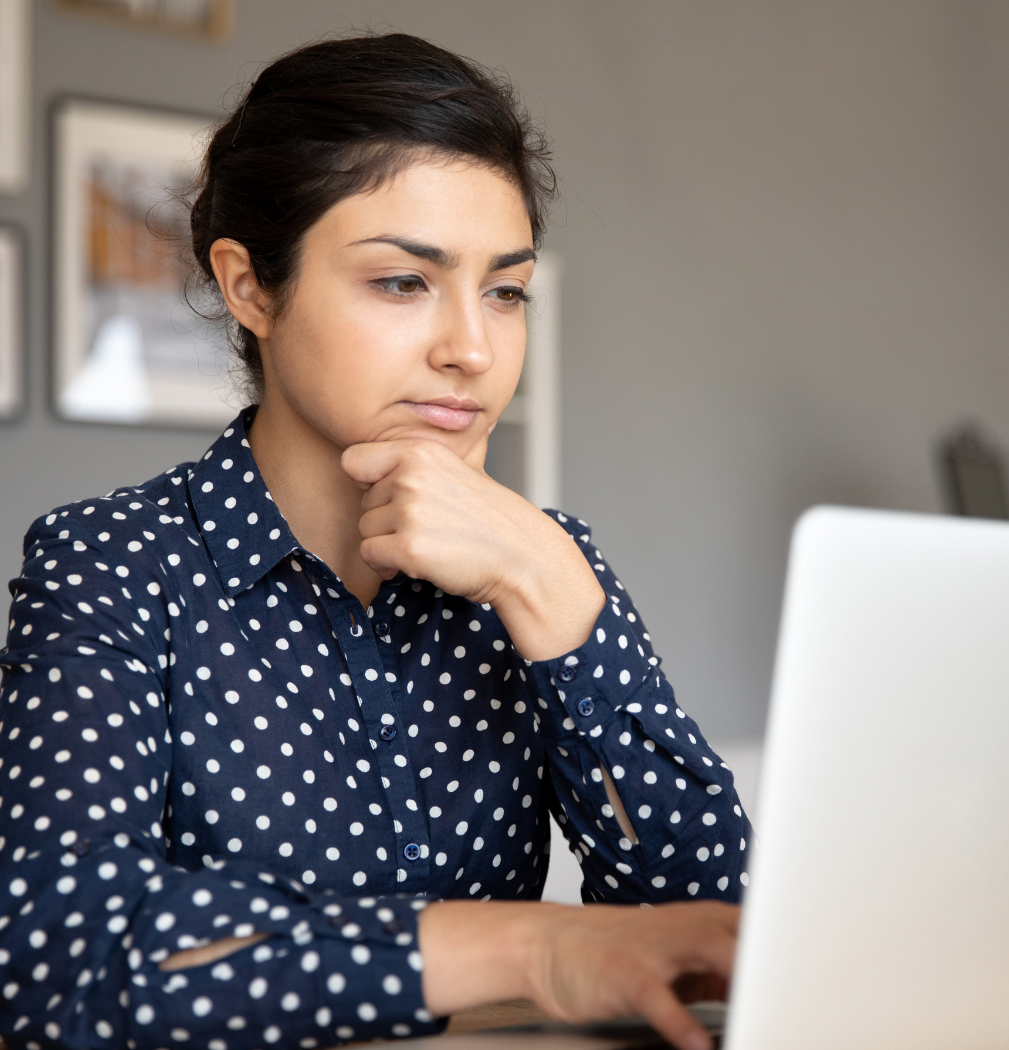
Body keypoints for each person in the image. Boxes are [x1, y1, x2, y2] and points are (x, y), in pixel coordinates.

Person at [0, 33, 751, 1050]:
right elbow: (63, 965)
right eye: (403, 282)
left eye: (505, 289)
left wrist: (552, 592)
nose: (473, 349)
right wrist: (529, 949)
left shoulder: (539, 558)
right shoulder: (114, 567)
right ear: (250, 288)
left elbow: (713, 939)